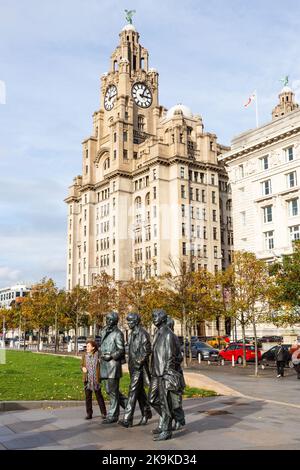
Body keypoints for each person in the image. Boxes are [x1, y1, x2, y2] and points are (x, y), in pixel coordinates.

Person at [148, 309, 181, 441]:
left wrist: (167, 374)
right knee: (152, 399)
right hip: (156, 373)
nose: (153, 318)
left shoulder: (168, 334)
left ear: (162, 318)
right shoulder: (158, 333)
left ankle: (166, 430)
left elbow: (171, 357)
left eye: (156, 316)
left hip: (164, 374)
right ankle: (172, 417)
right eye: (153, 316)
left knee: (165, 403)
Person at [119, 313, 152, 428]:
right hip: (133, 368)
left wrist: (138, 362)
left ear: (136, 321)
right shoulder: (133, 333)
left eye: (130, 321)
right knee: (140, 393)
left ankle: (127, 419)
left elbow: (147, 350)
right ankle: (146, 412)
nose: (128, 323)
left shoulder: (143, 334)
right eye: (128, 321)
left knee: (132, 391)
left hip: (139, 368)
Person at [99, 312, 127, 423]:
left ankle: (113, 415)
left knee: (113, 391)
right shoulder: (104, 331)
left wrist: (110, 356)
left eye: (110, 319)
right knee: (109, 390)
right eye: (107, 319)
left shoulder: (118, 333)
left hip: (113, 365)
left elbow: (121, 350)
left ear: (115, 321)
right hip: (105, 366)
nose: (108, 321)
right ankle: (129, 406)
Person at [166, 316, 186, 431]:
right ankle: (174, 419)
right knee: (168, 400)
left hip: (174, 375)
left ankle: (179, 420)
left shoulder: (173, 339)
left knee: (175, 401)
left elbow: (179, 357)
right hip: (168, 374)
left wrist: (172, 364)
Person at [81, 339, 106, 420]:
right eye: (87, 346)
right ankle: (89, 413)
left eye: (88, 346)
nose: (87, 347)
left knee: (99, 396)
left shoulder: (97, 354)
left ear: (93, 347)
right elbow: (81, 365)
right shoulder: (84, 355)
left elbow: (103, 362)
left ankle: (103, 413)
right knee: (88, 397)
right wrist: (83, 368)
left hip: (96, 379)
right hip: (87, 379)